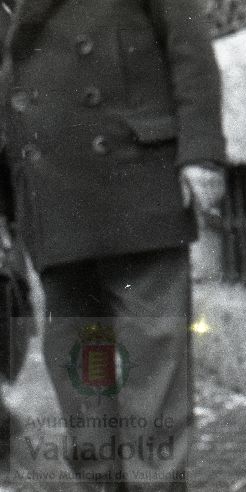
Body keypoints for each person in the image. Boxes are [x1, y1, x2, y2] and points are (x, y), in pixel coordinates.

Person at [0, 0, 226, 490]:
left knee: (153, 351)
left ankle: (156, 483)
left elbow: (187, 43)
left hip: (136, 178)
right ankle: (100, 480)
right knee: (81, 355)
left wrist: (202, 153)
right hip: (47, 195)